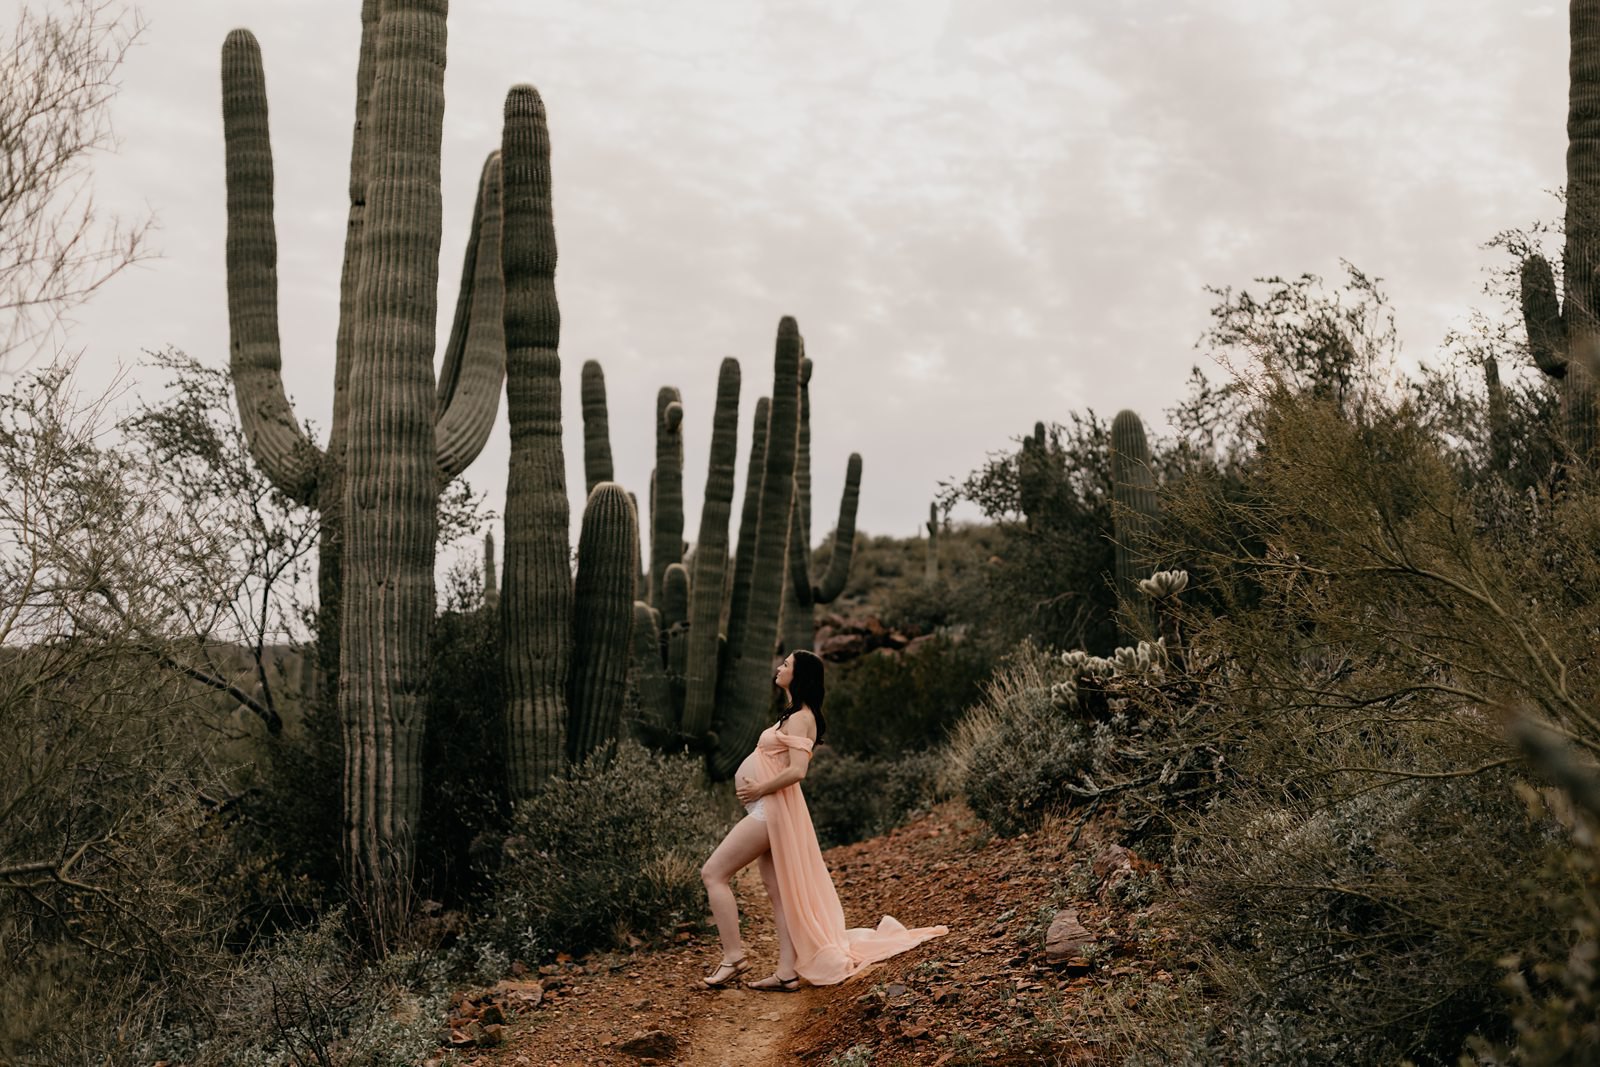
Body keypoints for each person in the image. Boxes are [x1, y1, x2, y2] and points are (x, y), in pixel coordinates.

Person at [698, 649, 949, 991]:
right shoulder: (791, 715)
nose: (778, 666)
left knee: (713, 873)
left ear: (799, 676)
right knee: (779, 892)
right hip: (769, 810)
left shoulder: (803, 717)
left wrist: (758, 788)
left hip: (769, 811)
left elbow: (797, 771)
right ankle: (787, 972)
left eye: (786, 664)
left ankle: (733, 957)